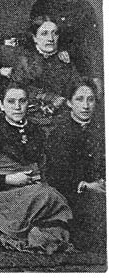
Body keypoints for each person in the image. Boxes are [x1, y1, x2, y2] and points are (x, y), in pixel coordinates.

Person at [0, 83, 73, 254]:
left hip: (33, 190)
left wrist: (37, 181)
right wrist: (12, 179)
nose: (17, 107)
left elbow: (42, 167)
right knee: (49, 196)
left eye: (22, 101)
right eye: (11, 101)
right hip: (3, 195)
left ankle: (39, 236)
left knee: (53, 198)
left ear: (28, 103)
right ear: (1, 105)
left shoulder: (36, 131)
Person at [46, 78, 105, 252]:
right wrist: (85, 185)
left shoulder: (102, 129)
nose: (86, 106)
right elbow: (55, 176)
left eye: (91, 99)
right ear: (69, 103)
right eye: (79, 99)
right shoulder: (60, 133)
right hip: (73, 194)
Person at [31, 0, 102, 91]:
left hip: (82, 71)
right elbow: (34, 42)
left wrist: (96, 77)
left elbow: (94, 46)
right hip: (51, 71)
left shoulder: (85, 7)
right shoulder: (42, 5)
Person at [11, 15, 81, 125]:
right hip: (31, 120)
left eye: (55, 33)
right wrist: (47, 97)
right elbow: (16, 91)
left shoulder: (66, 61)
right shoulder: (24, 61)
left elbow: (77, 89)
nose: (51, 38)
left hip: (62, 120)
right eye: (44, 33)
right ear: (34, 37)